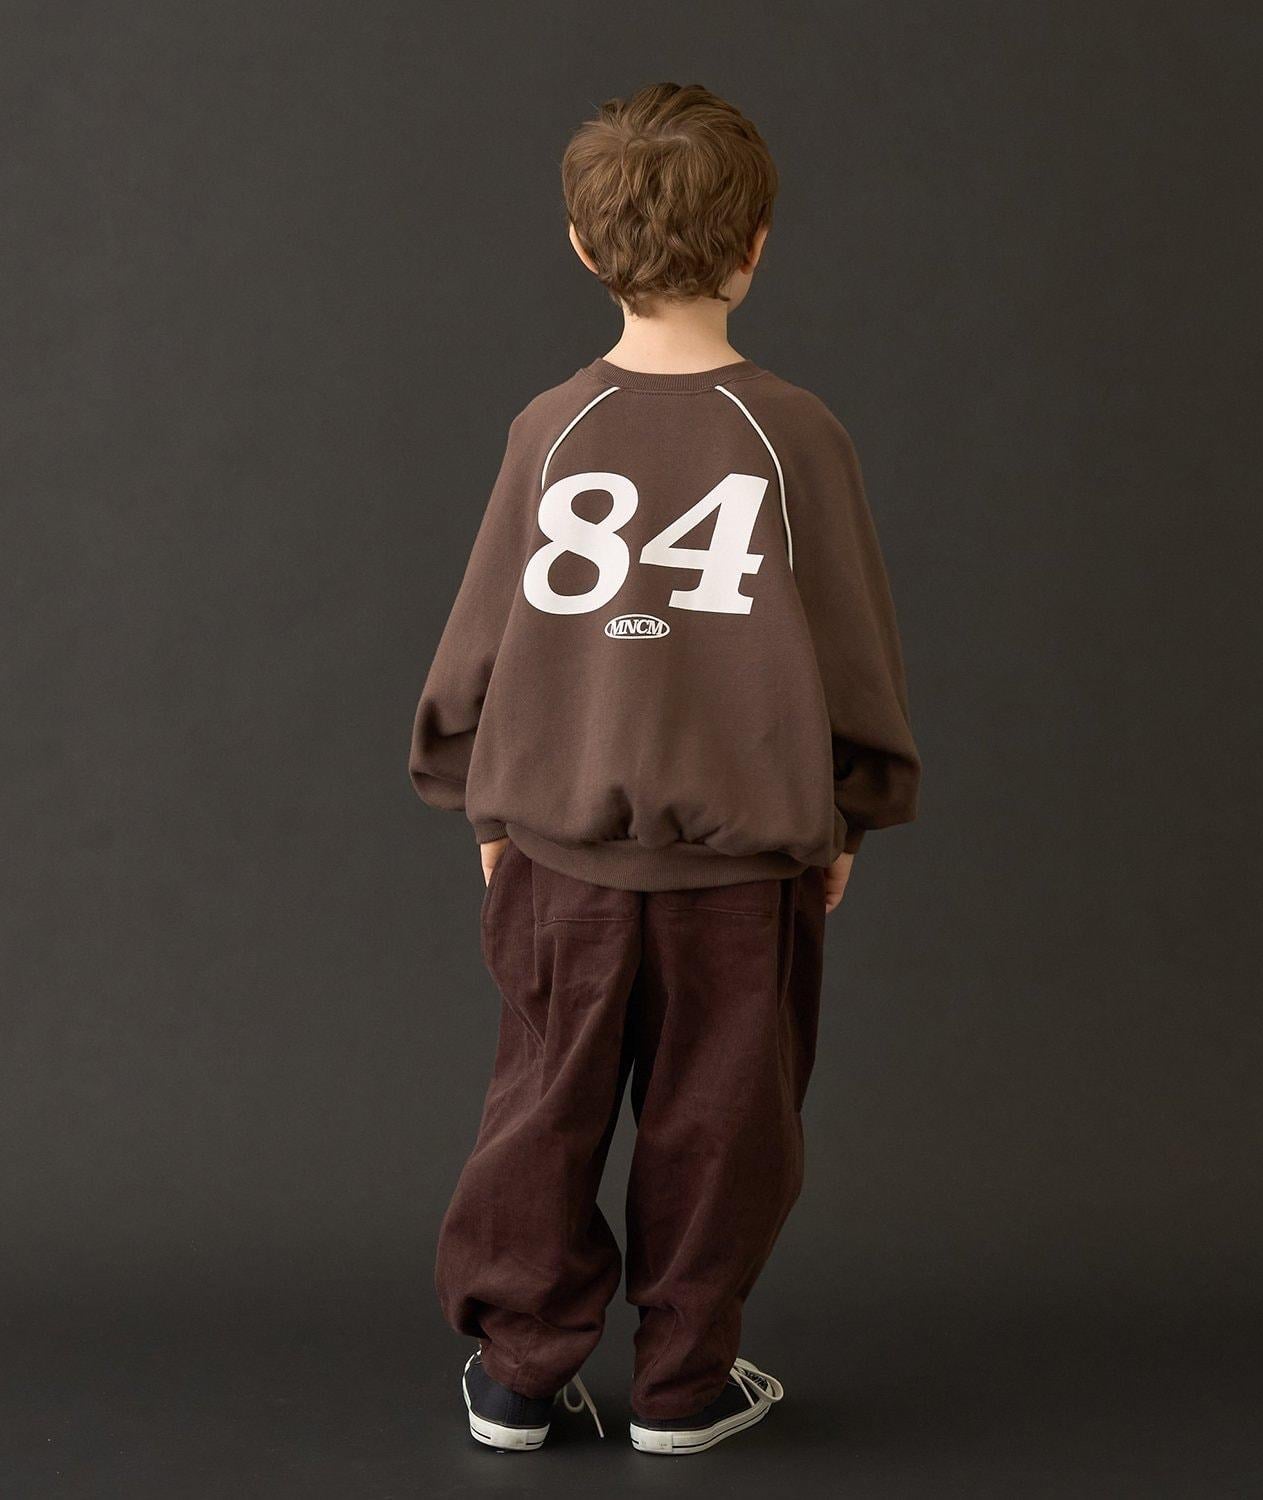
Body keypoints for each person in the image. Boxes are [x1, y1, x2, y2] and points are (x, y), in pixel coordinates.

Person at [409, 80, 920, 1456]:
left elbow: (486, 628)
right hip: (742, 871)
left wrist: (477, 793)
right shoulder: (797, 432)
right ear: (757, 244)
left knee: (543, 1105)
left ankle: (518, 1375)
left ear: (583, 246)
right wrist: (848, 811)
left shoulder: (550, 426)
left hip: (558, 859)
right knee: (724, 1125)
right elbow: (850, 645)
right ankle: (686, 1383)